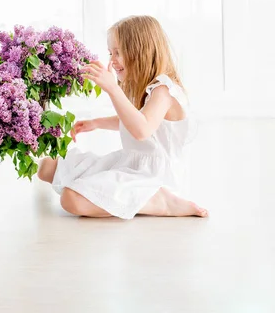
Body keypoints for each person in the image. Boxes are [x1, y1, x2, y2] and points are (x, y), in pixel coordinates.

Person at [37, 15, 208, 219]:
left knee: (70, 199)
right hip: (131, 163)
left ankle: (162, 201)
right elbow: (131, 120)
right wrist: (96, 123)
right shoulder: (147, 88)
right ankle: (138, 197)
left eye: (118, 52)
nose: (112, 60)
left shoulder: (164, 91)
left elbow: (142, 130)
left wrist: (112, 89)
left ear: (140, 51)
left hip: (154, 176)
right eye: (111, 53)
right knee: (46, 167)